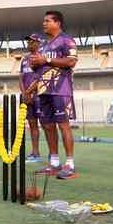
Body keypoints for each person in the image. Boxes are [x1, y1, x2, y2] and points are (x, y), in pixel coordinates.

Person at [30, 10, 78, 179]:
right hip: (43, 91)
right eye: (44, 21)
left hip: (60, 89)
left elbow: (71, 61)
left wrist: (47, 60)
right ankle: (55, 163)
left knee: (63, 125)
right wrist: (34, 63)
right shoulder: (42, 45)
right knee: (48, 126)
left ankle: (70, 164)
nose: (44, 23)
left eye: (48, 21)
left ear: (58, 23)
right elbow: (38, 67)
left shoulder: (66, 40)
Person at [20, 34, 43, 163]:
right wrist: (24, 94)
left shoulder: (41, 57)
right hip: (28, 98)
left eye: (32, 41)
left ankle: (53, 155)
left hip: (40, 96)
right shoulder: (24, 59)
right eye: (28, 41)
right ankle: (35, 153)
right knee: (32, 125)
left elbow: (41, 77)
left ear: (39, 43)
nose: (29, 43)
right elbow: (21, 77)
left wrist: (28, 92)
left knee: (47, 126)